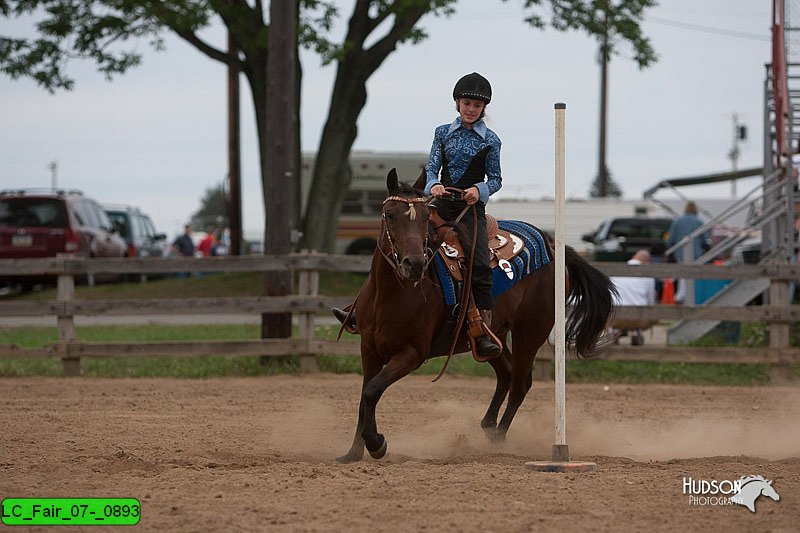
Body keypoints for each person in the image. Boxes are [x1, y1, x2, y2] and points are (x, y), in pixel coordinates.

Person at [424, 72, 503, 358]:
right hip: (441, 203)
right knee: (402, 243)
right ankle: (361, 309)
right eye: (467, 102)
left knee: (479, 262)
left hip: (469, 209)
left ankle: (481, 327)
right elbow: (432, 167)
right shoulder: (442, 133)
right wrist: (433, 184)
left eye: (477, 105)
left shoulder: (491, 141)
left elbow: (495, 179)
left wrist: (478, 190)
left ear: (484, 109)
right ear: (458, 103)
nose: (471, 109)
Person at [609, 249, 657, 345]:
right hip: (637, 318)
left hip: (614, 316)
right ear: (647, 262)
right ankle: (636, 331)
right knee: (654, 313)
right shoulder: (647, 274)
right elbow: (650, 302)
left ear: (633, 257)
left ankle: (614, 331)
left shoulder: (617, 270)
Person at [666, 201, 709, 304]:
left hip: (680, 254)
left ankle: (681, 296)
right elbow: (705, 240)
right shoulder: (699, 222)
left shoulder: (677, 221)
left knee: (683, 276)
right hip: (696, 254)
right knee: (693, 277)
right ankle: (690, 297)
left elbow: (670, 240)